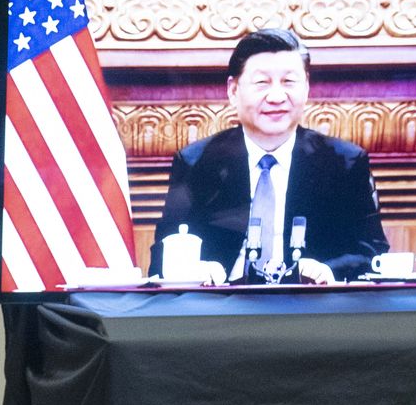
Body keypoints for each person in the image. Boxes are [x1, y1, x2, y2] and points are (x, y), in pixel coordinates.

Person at [151, 27, 389, 284]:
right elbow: (162, 256)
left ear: (307, 88)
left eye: (289, 82)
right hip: (222, 309)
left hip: (312, 310)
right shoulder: (197, 162)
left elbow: (373, 252)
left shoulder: (344, 162)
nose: (277, 97)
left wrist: (329, 271)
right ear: (233, 90)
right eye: (262, 83)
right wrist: (197, 270)